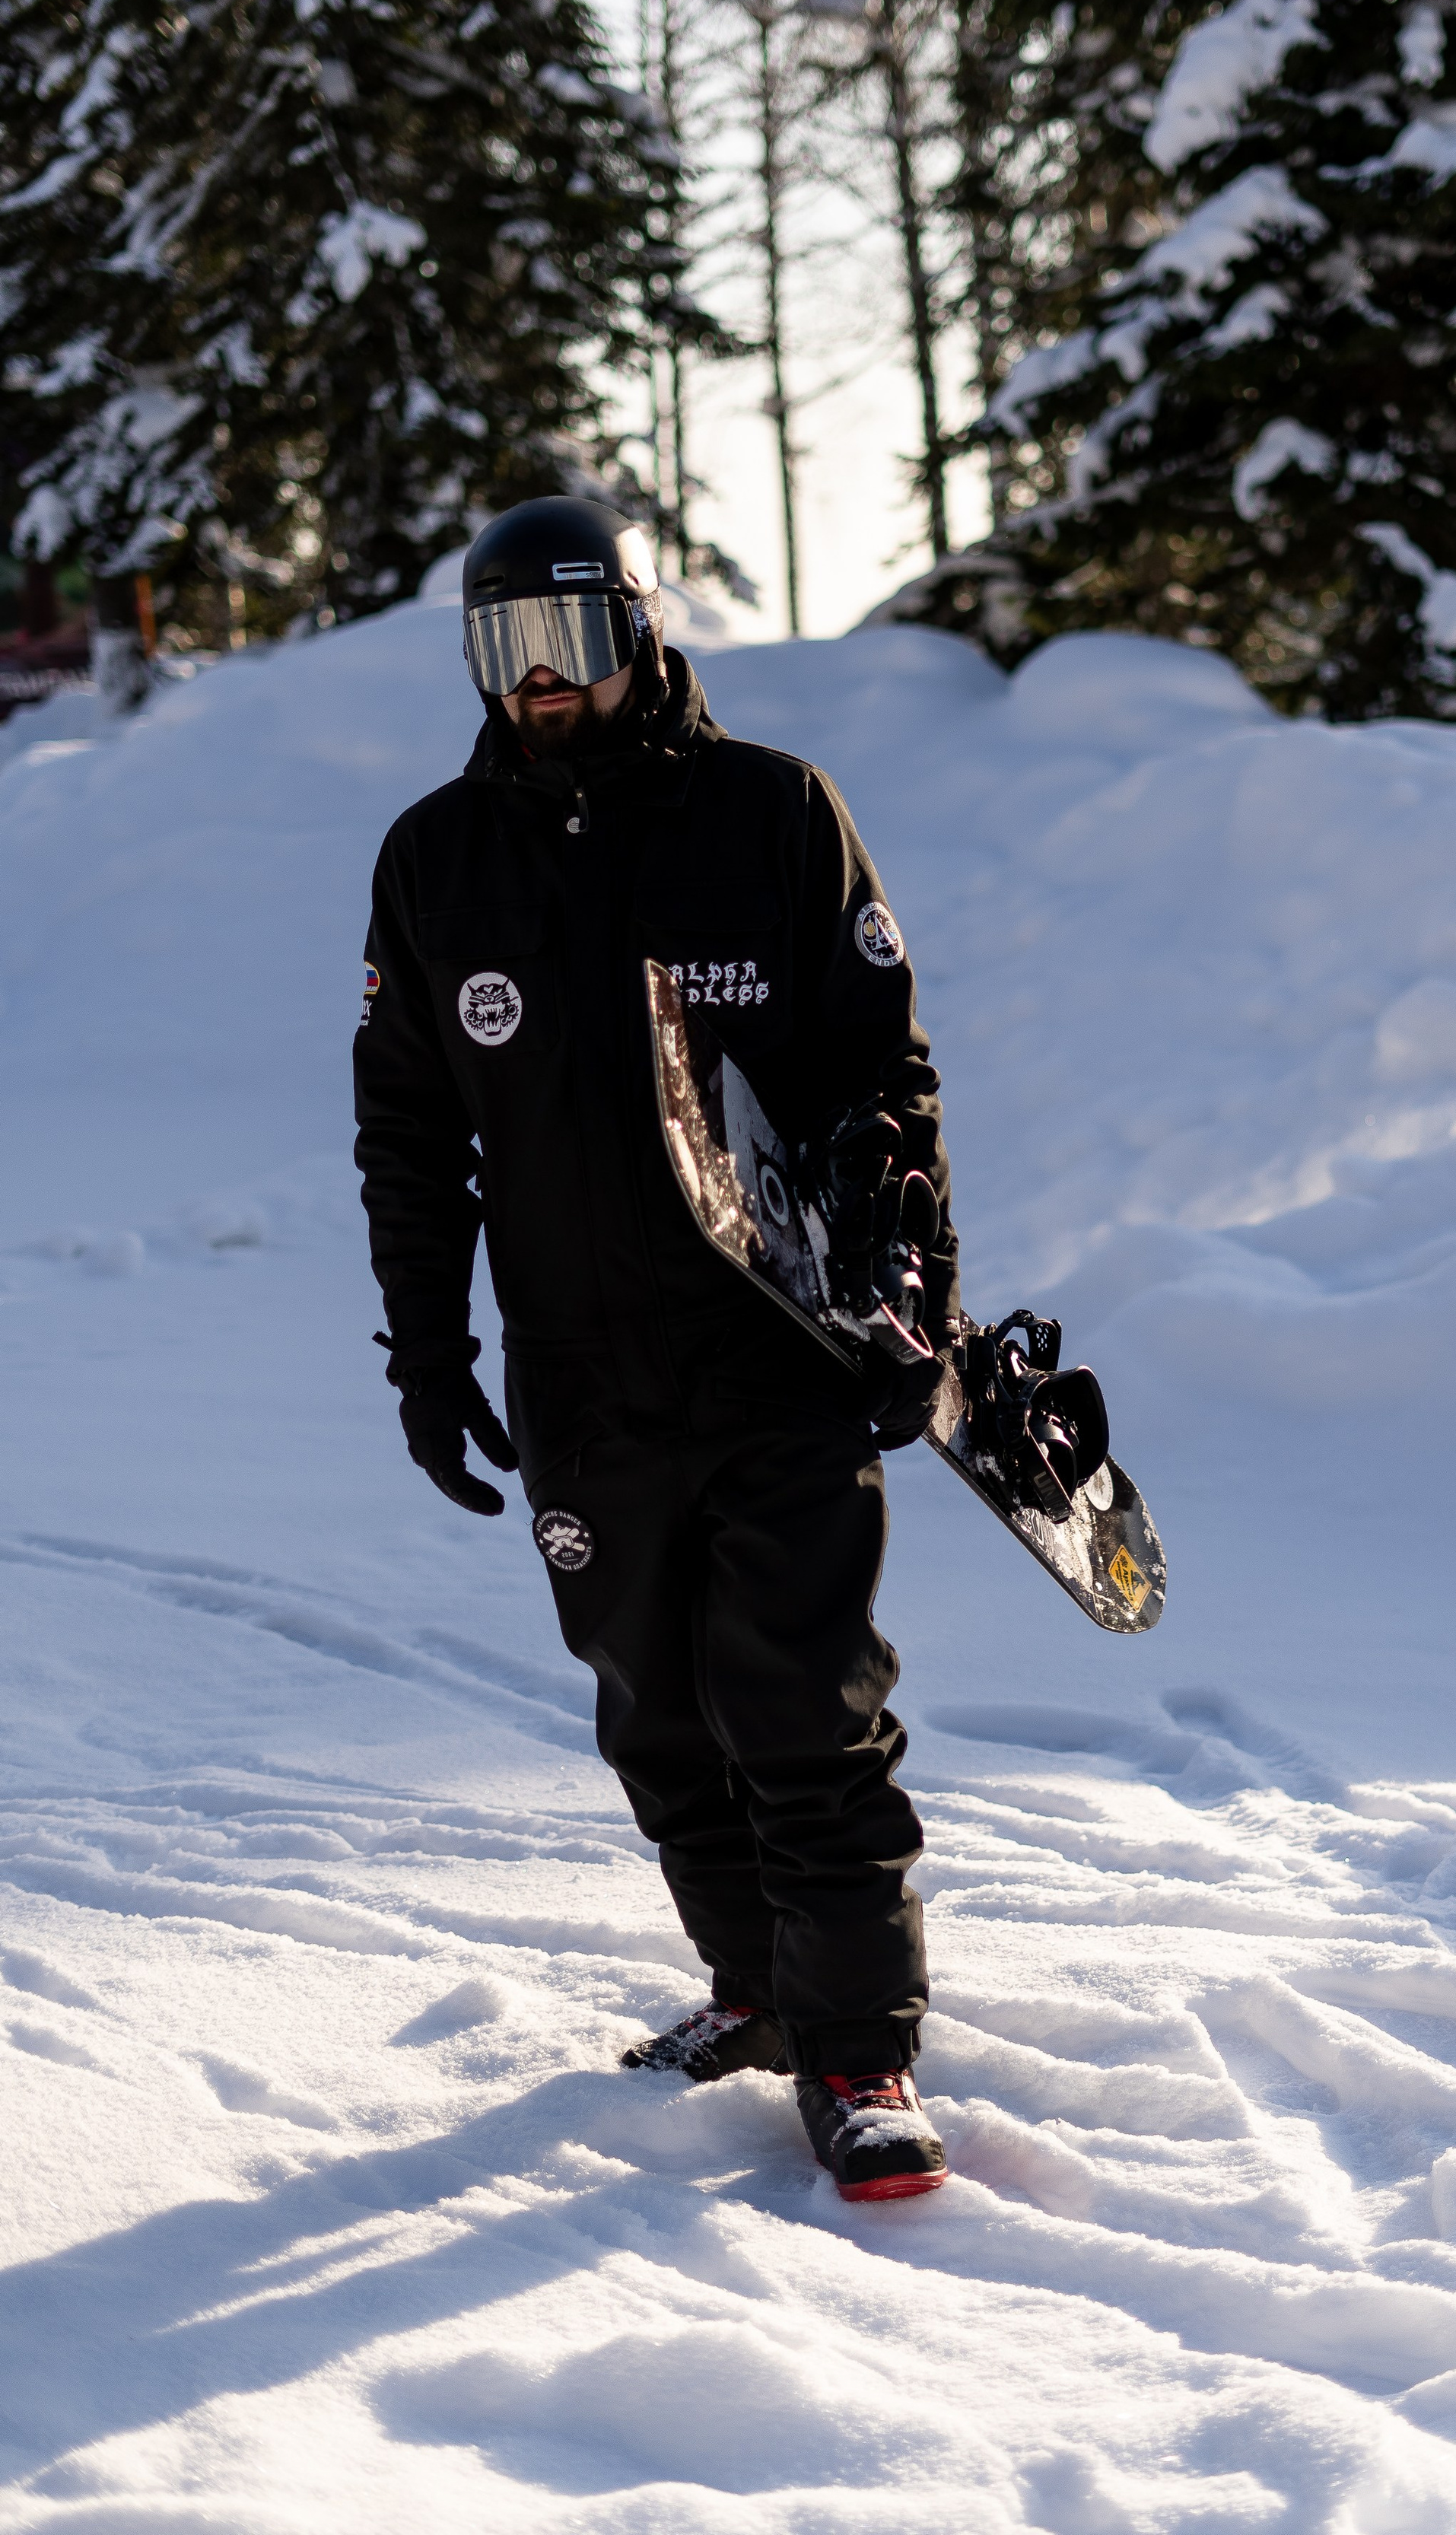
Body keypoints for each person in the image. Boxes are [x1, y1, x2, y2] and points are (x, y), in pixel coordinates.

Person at [353, 495, 957, 2202]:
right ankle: (756, 1987)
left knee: (801, 1702)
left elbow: (882, 1074)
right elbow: (408, 1133)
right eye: (504, 651)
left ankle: (857, 2050)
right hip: (578, 1370)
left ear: (634, 629)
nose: (540, 683)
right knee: (655, 1711)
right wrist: (424, 1346)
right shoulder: (435, 859)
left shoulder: (770, 813)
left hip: (776, 1349)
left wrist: (910, 1280)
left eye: (569, 640)